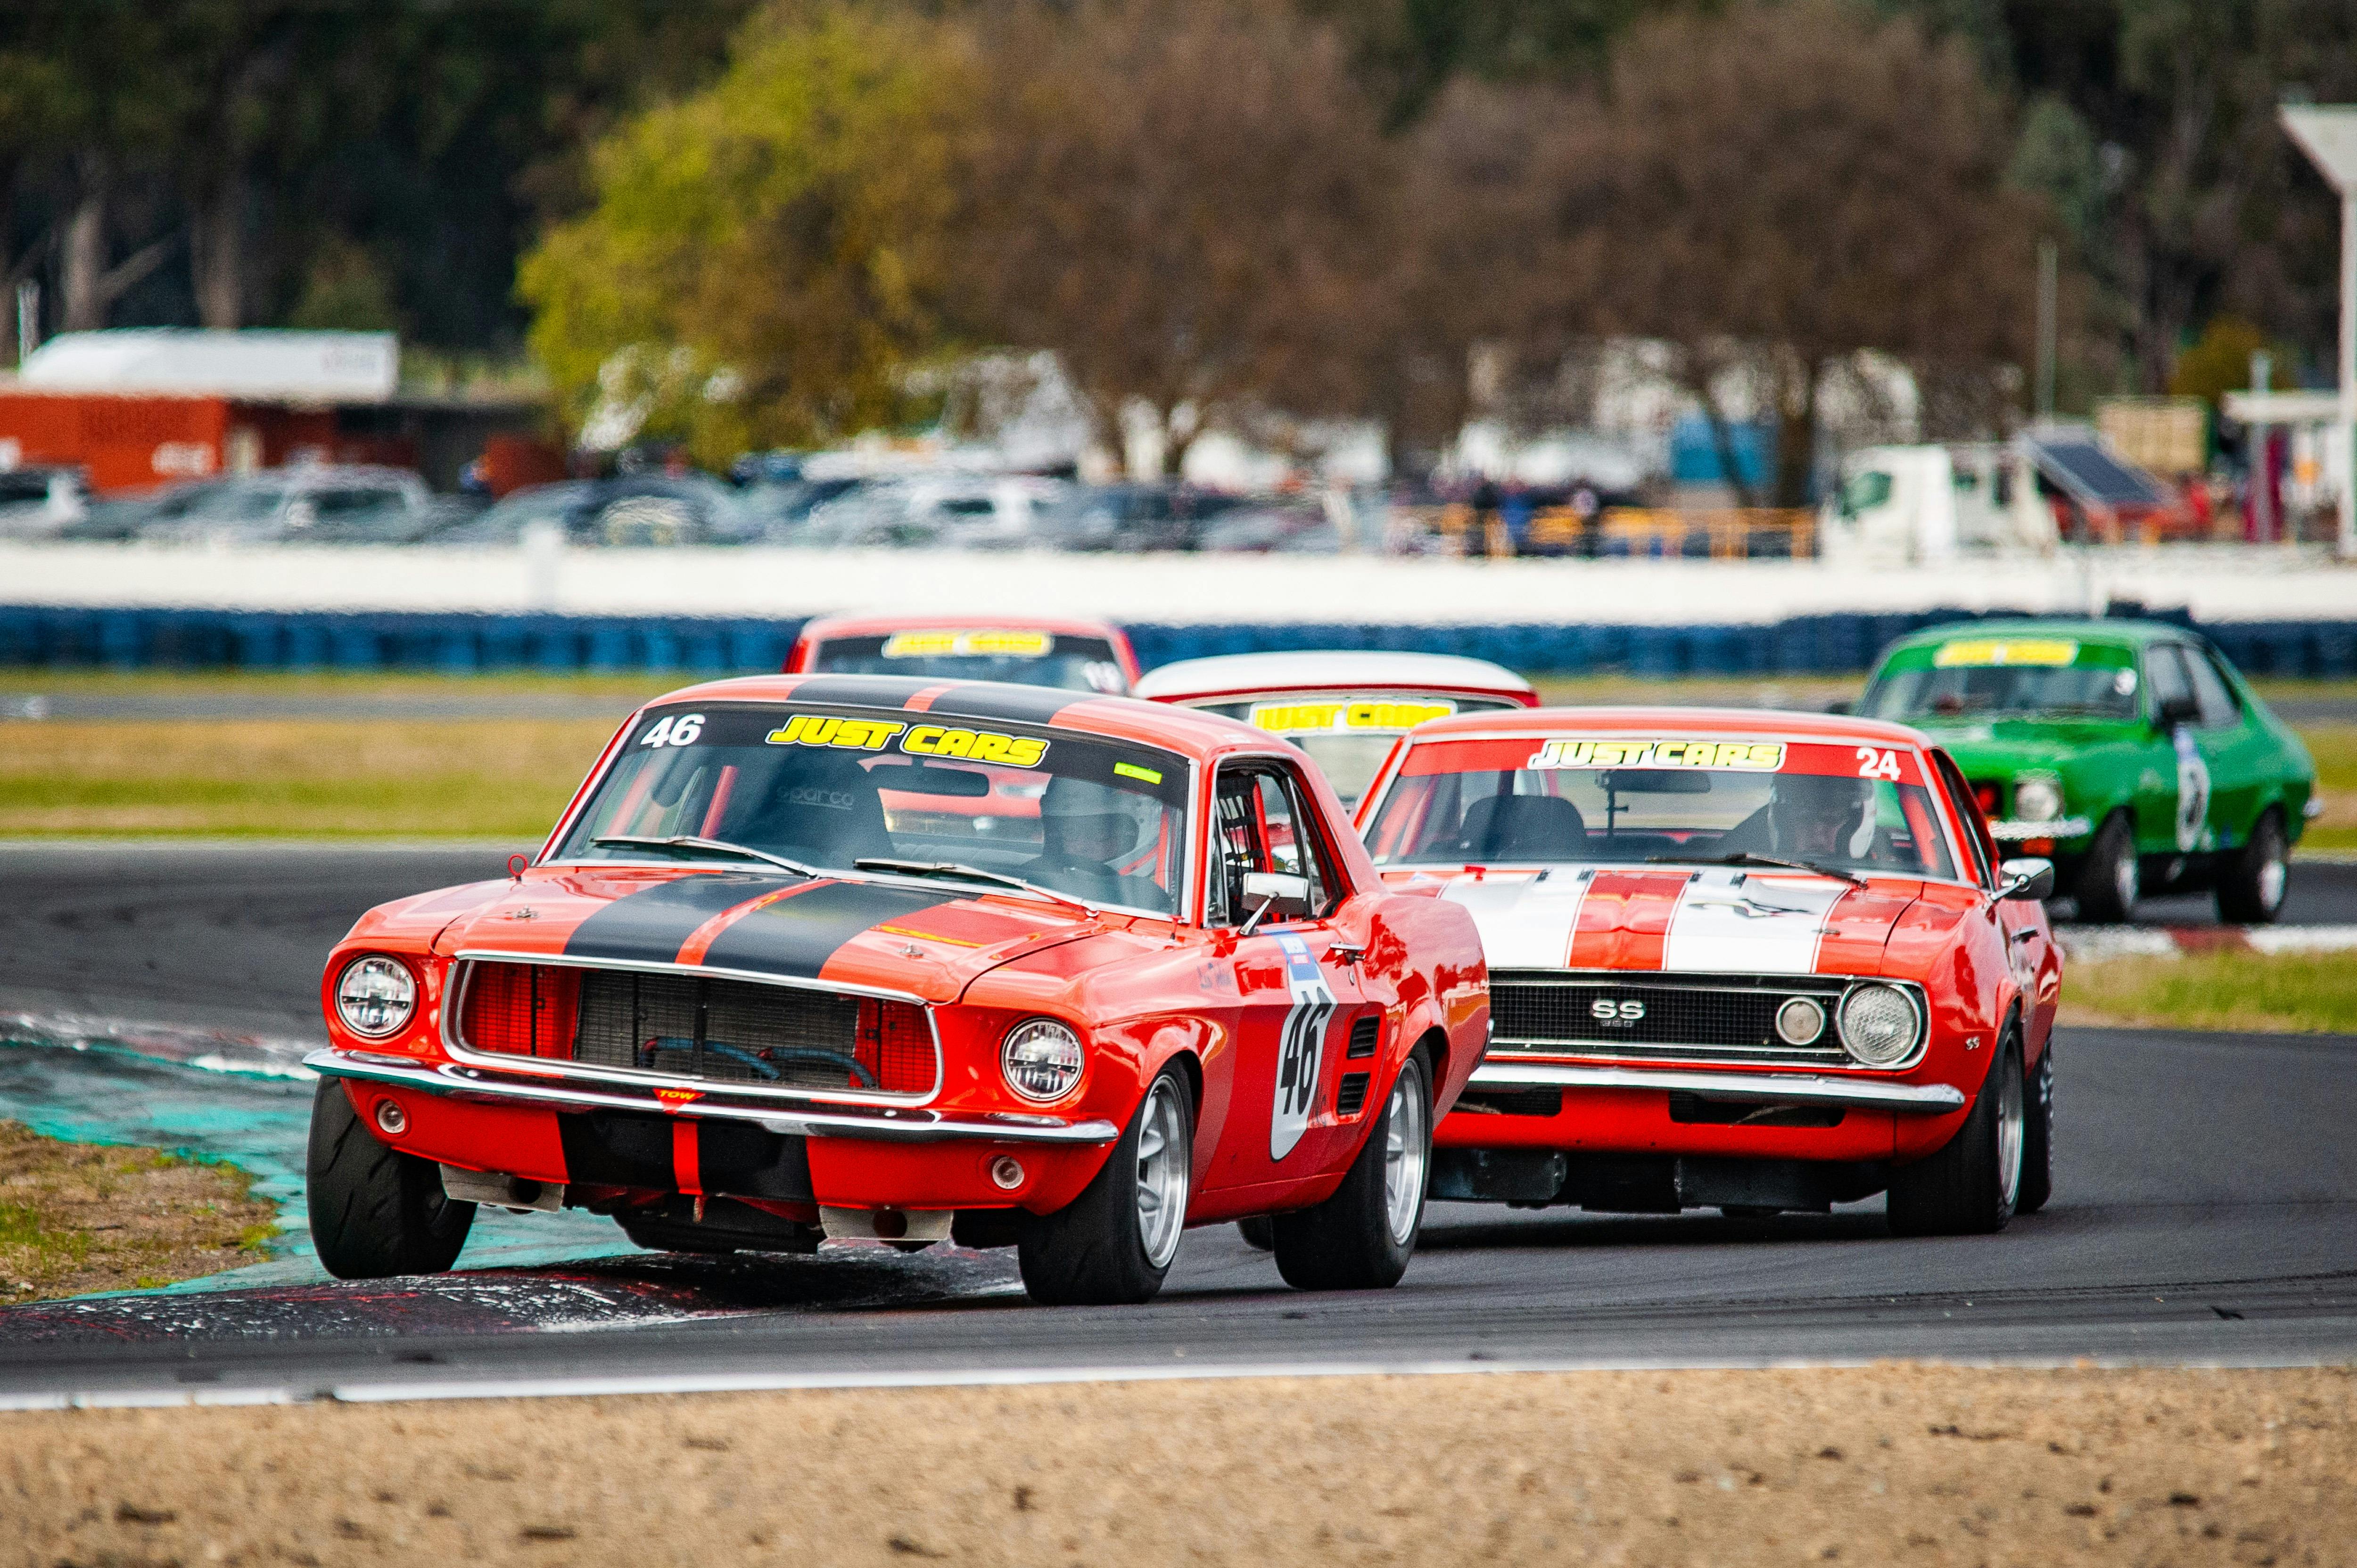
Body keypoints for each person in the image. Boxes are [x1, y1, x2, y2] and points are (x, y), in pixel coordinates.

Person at [1022, 776, 1170, 911]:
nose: (1082, 846)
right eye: (1071, 832)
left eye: (1097, 832)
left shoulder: (1153, 902)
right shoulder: (1031, 884)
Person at [1717, 772, 1878, 864]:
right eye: (1805, 817)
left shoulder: (1884, 864)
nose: (1817, 832)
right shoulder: (1741, 851)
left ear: (1856, 823)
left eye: (1831, 819)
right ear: (1783, 821)